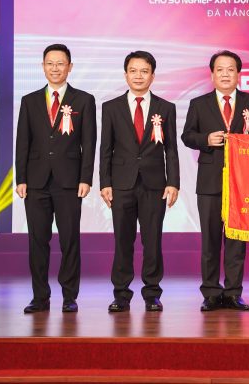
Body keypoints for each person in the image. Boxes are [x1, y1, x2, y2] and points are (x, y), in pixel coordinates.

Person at [181, 50, 249, 312]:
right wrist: (206, 140)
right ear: (212, 75)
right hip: (209, 182)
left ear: (238, 74)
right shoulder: (199, 104)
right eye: (219, 69)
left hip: (242, 182)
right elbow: (188, 136)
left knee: (236, 240)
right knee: (210, 241)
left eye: (230, 69)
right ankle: (211, 293)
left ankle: (233, 293)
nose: (225, 74)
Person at [15, 43, 97, 314]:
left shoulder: (83, 100)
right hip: (36, 182)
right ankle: (40, 297)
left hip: (69, 181)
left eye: (60, 63)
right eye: (50, 63)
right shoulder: (29, 101)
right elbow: (22, 143)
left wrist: (86, 178)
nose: (55, 68)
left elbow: (89, 143)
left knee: (69, 241)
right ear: (42, 67)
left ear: (70, 67)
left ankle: (69, 296)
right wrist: (21, 178)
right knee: (37, 241)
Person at [99, 51, 180, 313]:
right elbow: (105, 148)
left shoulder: (165, 108)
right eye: (133, 71)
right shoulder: (111, 107)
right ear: (125, 75)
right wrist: (105, 182)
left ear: (152, 76)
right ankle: (121, 294)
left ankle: (152, 293)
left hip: (154, 185)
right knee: (122, 241)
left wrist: (173, 182)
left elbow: (171, 149)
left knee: (152, 241)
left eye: (144, 71)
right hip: (121, 184)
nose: (138, 76)